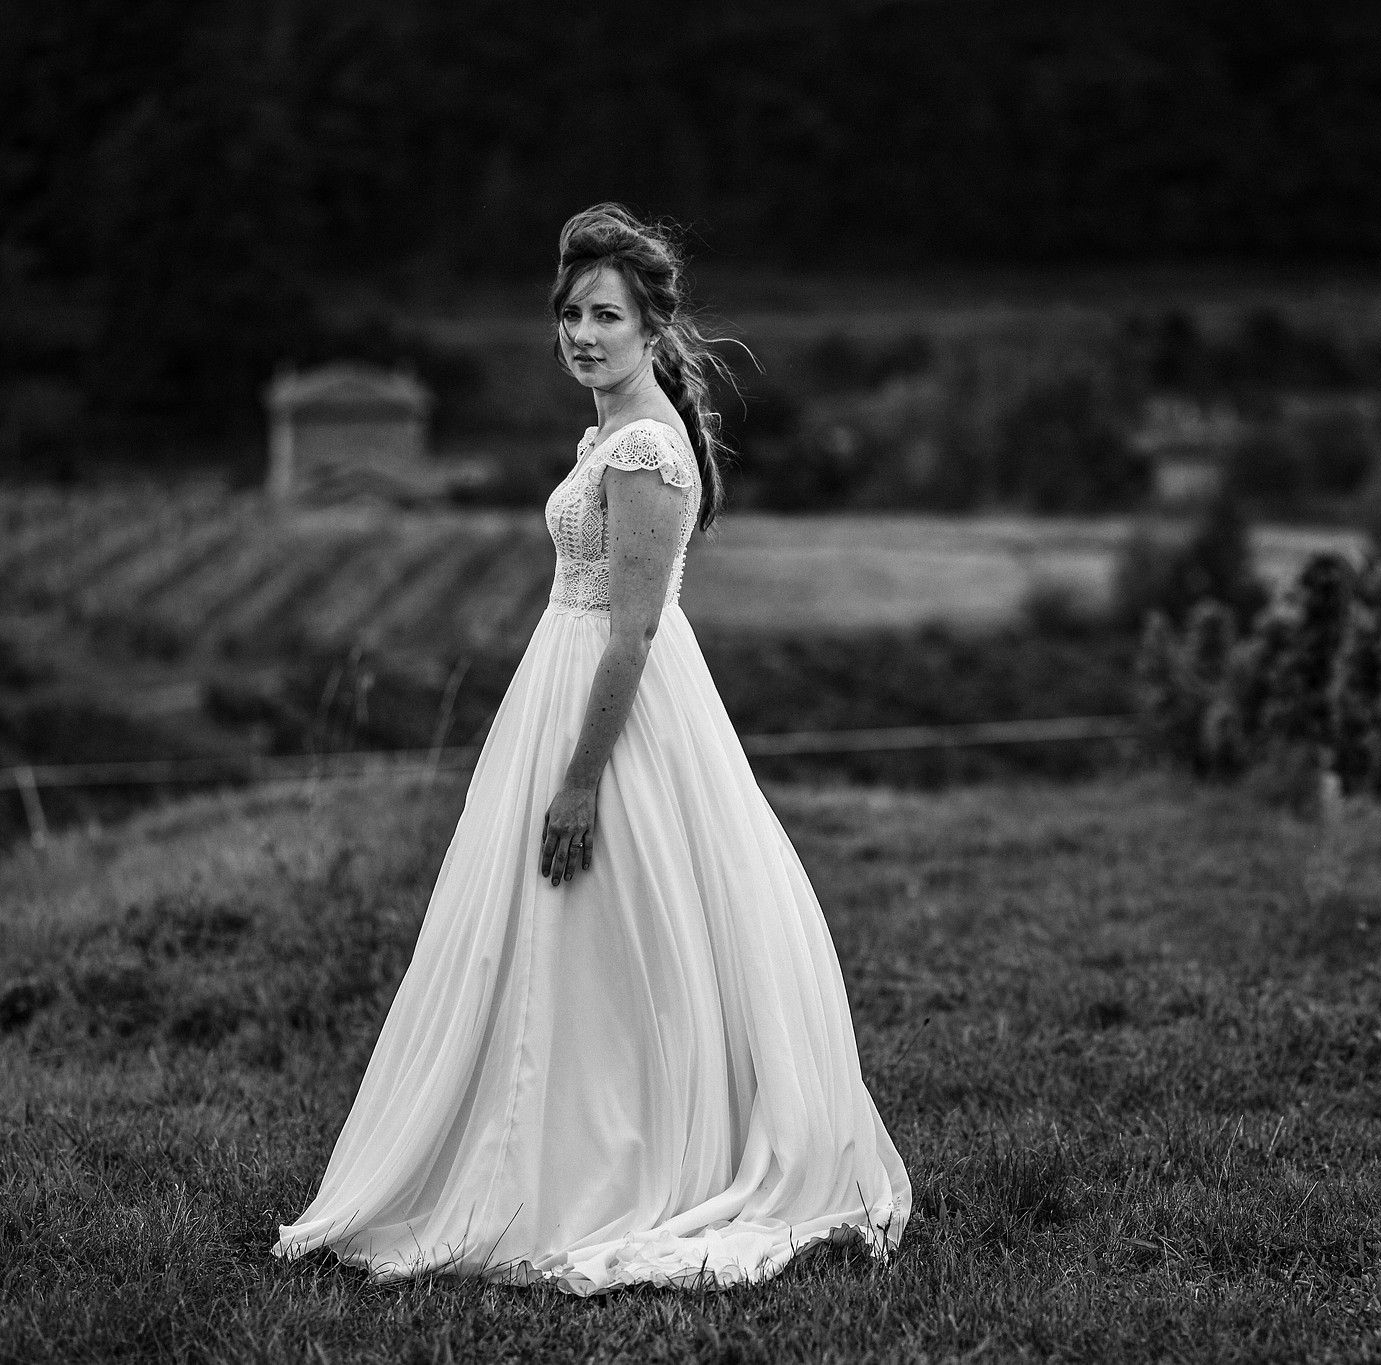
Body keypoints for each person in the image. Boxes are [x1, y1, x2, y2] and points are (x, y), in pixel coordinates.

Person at [273, 203, 912, 1294]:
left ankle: (613, 1158)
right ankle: (535, 1142)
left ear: (652, 328)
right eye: (569, 312)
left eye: (605, 315)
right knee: (552, 934)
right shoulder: (608, 432)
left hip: (615, 717)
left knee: (620, 919)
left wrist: (578, 781)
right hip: (560, 691)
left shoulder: (648, 447)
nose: (581, 333)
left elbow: (634, 632)